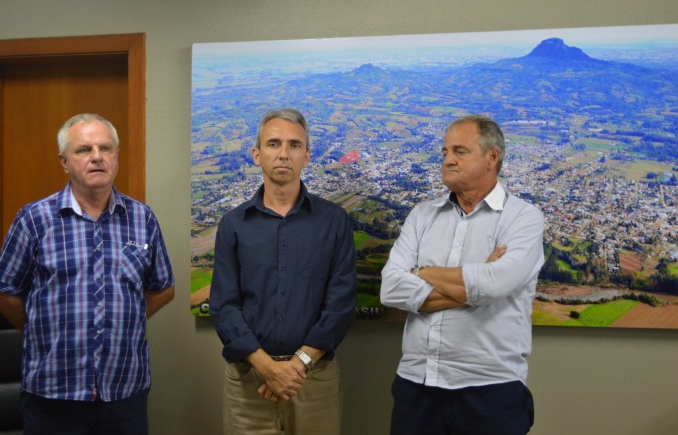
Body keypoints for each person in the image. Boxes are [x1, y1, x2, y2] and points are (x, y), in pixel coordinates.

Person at [0, 113, 175, 434]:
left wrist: (122, 320)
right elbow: (2, 295)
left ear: (116, 156)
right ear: (64, 161)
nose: (97, 157)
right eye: (84, 150)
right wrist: (41, 331)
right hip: (53, 395)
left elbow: (163, 288)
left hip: (124, 392)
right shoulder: (35, 219)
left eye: (105, 148)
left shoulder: (141, 218)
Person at [380, 114, 544, 435]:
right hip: (416, 384)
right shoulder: (422, 215)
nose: (448, 160)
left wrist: (421, 272)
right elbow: (390, 289)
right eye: (445, 152)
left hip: (491, 389)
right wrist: (476, 285)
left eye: (460, 151)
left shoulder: (523, 218)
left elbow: (493, 285)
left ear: (492, 157)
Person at [209, 108, 357, 434]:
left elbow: (341, 306)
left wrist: (296, 365)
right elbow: (224, 307)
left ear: (307, 156)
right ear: (257, 154)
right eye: (274, 144)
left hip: (313, 380)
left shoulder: (334, 222)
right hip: (249, 380)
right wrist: (268, 368)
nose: (284, 153)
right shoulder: (233, 225)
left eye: (294, 145)